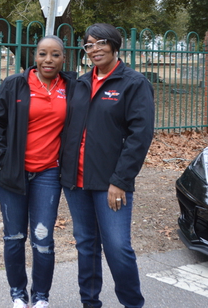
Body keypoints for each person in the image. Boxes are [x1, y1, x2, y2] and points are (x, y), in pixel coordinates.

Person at [60, 23, 154, 308]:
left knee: (117, 247)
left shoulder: (133, 83)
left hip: (110, 183)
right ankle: (90, 302)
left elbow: (140, 136)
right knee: (86, 244)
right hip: (76, 182)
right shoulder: (81, 83)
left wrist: (120, 181)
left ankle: (132, 304)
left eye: (101, 42)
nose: (94, 49)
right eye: (89, 45)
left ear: (114, 45)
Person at [0, 36, 79, 308]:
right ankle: (18, 295)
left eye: (55, 54)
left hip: (48, 174)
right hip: (12, 173)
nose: (48, 60)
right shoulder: (16, 84)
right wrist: (2, 158)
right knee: (14, 236)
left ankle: (40, 297)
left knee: (43, 239)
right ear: (35, 57)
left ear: (63, 59)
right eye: (42, 54)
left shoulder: (71, 88)